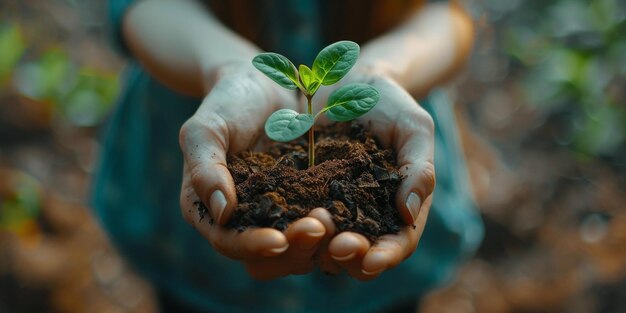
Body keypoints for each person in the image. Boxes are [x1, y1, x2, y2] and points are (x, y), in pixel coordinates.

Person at [93, 0, 484, 312]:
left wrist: (383, 70)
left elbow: (447, 11)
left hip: (384, 269)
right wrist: (225, 66)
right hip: (189, 242)